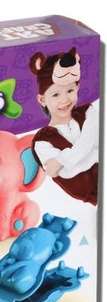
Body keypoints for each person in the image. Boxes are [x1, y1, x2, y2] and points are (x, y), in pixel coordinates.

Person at [29, 47, 98, 206]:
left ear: (77, 87)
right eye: (55, 94)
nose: (65, 100)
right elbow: (67, 173)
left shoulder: (88, 112)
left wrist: (62, 159)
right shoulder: (42, 141)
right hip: (90, 204)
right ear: (42, 99)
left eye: (70, 90)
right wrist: (93, 152)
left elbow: (91, 144)